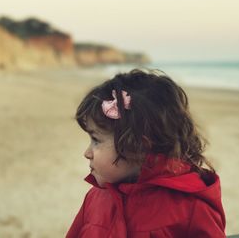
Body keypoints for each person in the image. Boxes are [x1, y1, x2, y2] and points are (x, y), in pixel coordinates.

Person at [66, 69, 226, 238]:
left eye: (96, 140)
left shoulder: (191, 208)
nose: (87, 153)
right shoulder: (95, 198)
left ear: (138, 145)